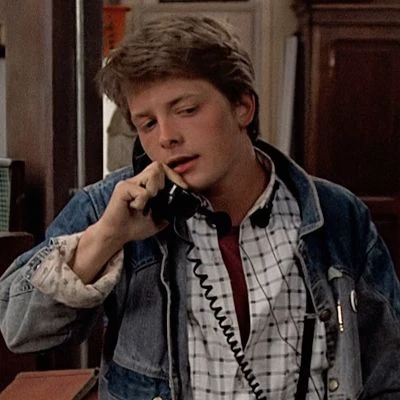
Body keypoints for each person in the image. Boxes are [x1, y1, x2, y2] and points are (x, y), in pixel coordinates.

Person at [1, 14, 399, 400]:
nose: (167, 137)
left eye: (186, 110)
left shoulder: (337, 214)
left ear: (243, 107)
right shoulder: (112, 209)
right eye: (147, 124)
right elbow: (19, 330)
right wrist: (108, 236)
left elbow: (387, 370)